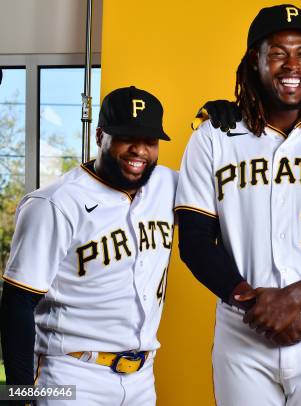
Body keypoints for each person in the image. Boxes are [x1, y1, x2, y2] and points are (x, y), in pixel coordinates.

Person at [175, 4, 301, 405]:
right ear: (255, 61)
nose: (293, 65)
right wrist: (256, 304)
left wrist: (291, 299)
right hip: (243, 329)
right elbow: (195, 241)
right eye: (277, 52)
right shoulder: (214, 136)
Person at [0, 86, 176, 405]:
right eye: (127, 138)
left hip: (142, 377)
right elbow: (17, 302)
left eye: (150, 142)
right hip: (71, 375)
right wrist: (19, 395)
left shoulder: (168, 185)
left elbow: (228, 191)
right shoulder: (55, 203)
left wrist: (232, 120)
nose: (139, 150)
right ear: (99, 137)